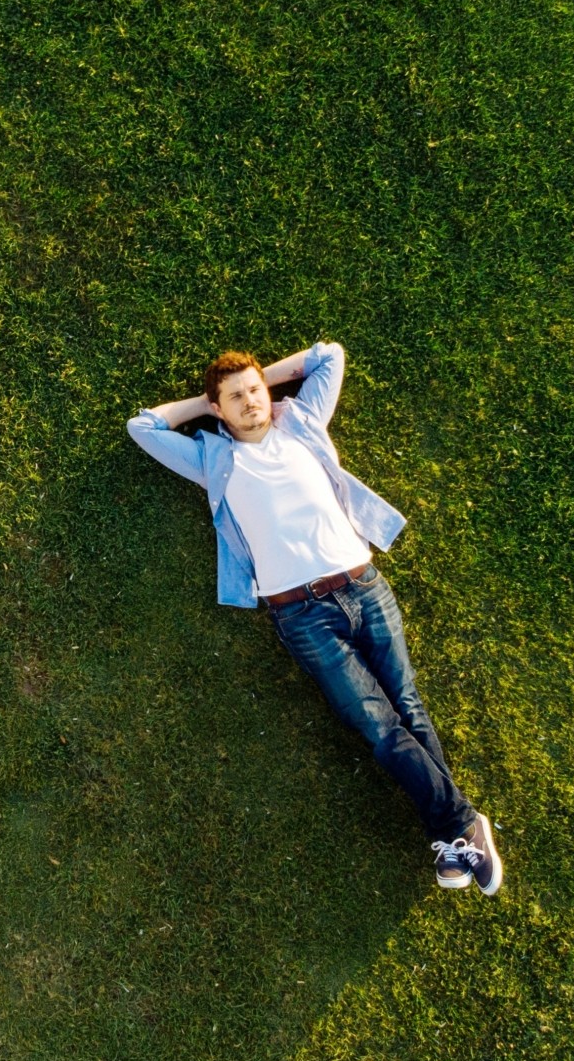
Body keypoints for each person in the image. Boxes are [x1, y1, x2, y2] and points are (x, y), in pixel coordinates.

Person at [126, 342, 503, 894]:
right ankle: (462, 826)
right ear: (219, 410)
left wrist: (263, 379)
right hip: (301, 615)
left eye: (255, 390)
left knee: (409, 708)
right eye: (235, 397)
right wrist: (203, 404)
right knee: (378, 726)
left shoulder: (301, 422)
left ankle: (457, 832)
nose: (251, 400)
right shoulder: (212, 460)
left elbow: (328, 356)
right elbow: (143, 427)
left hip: (364, 586)